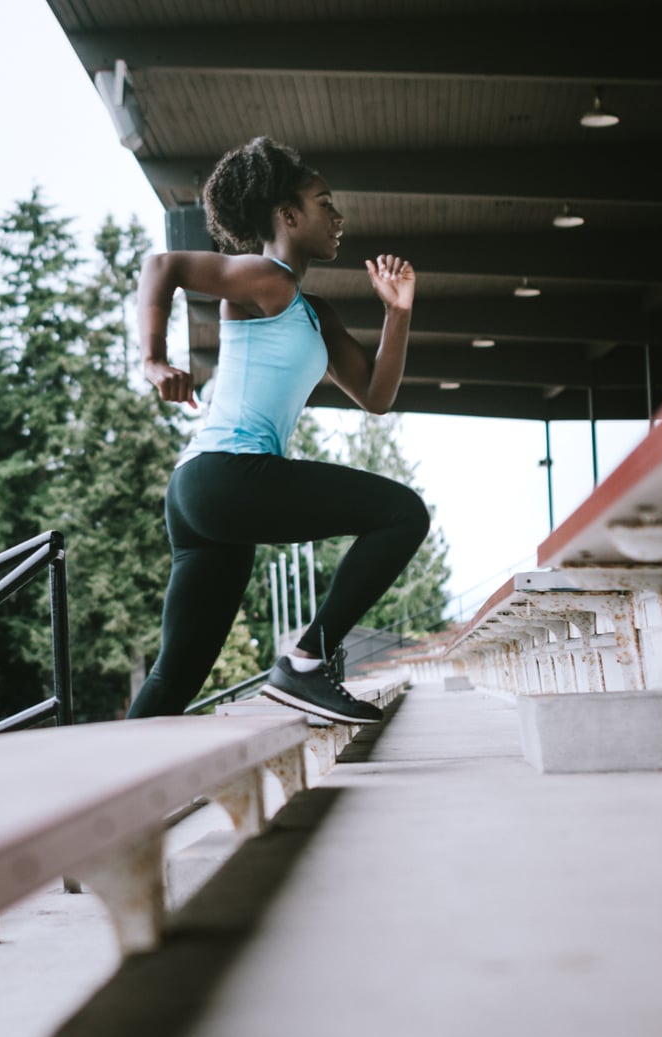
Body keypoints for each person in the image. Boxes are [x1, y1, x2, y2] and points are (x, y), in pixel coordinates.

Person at [127, 136, 429, 725]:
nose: (338, 217)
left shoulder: (317, 313)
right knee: (402, 514)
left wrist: (398, 313)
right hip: (227, 475)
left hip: (203, 493)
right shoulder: (268, 279)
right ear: (288, 215)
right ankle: (308, 662)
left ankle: (103, 810)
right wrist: (153, 360)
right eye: (324, 203)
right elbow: (162, 266)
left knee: (175, 678)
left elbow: (375, 396)